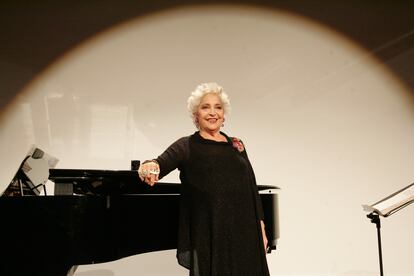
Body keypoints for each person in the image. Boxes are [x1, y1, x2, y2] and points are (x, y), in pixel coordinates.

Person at [138, 82, 270, 276]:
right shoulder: (187, 145)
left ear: (224, 115)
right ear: (196, 115)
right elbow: (159, 163)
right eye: (205, 107)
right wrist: (148, 167)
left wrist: (261, 226)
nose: (212, 112)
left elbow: (251, 187)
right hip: (211, 233)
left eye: (218, 107)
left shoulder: (237, 145)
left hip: (245, 231)